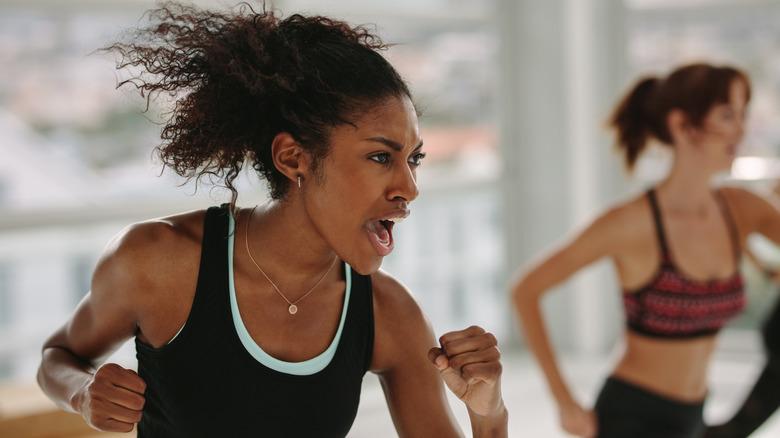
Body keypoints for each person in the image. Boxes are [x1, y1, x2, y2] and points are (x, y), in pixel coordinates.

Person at [36, 3, 508, 437]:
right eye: (382, 157)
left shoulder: (389, 313)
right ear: (292, 157)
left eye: (414, 159)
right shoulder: (158, 260)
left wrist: (489, 414)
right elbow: (58, 357)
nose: (409, 187)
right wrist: (81, 392)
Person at [511, 62, 780, 438]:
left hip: (694, 415)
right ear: (681, 125)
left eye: (742, 114)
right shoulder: (630, 222)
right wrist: (564, 400)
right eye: (727, 114)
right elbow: (525, 290)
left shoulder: (742, 210)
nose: (741, 128)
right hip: (631, 417)